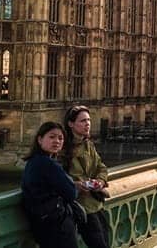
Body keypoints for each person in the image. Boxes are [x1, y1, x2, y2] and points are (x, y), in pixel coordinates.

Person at [21, 121, 79, 248]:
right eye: (52, 137)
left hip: (40, 223)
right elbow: (71, 193)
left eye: (60, 138)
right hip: (57, 225)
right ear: (40, 139)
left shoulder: (33, 162)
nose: (57, 141)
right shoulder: (48, 164)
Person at [61, 106, 110, 248]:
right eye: (83, 121)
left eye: (88, 120)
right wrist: (78, 184)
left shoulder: (88, 144)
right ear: (71, 124)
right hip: (81, 207)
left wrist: (100, 180)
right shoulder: (63, 148)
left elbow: (101, 167)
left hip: (96, 203)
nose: (87, 124)